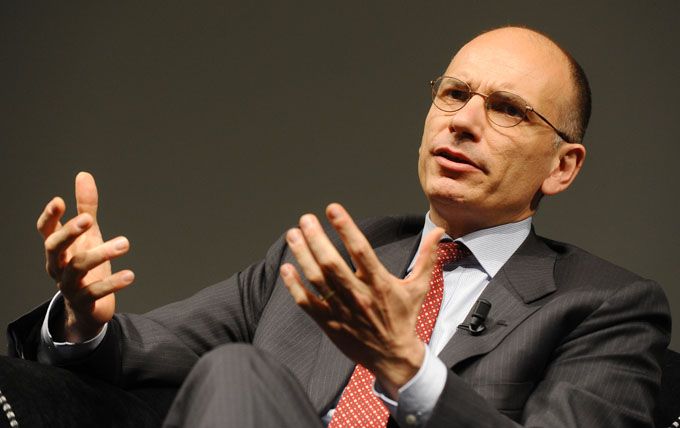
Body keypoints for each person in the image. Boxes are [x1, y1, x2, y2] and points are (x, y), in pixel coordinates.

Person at [7, 26, 671, 427]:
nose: (463, 121)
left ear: (562, 166)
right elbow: (143, 348)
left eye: (507, 110)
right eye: (453, 93)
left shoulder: (606, 305)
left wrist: (408, 368)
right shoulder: (325, 256)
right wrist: (82, 315)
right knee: (237, 372)